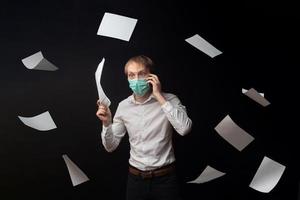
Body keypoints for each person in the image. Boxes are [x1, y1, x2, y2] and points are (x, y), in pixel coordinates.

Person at [96, 55, 192, 200]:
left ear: (151, 76)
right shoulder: (123, 106)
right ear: (127, 78)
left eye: (141, 74)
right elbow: (110, 146)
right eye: (131, 75)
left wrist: (159, 96)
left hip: (165, 179)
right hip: (135, 180)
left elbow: (184, 129)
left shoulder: (170, 99)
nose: (136, 79)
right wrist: (106, 123)